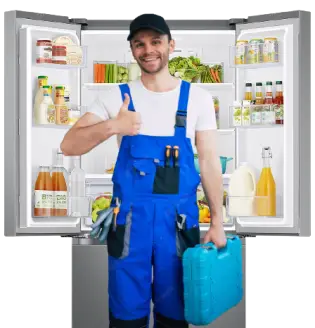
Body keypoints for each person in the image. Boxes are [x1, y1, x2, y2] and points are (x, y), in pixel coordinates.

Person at [61, 13, 227, 328]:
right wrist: (113, 125)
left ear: (170, 45)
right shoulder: (117, 97)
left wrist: (218, 221)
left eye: (155, 41)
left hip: (178, 225)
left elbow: (207, 162)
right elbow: (69, 145)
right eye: (139, 44)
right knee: (126, 316)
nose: (148, 50)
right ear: (133, 49)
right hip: (129, 223)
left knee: (175, 313)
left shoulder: (198, 99)